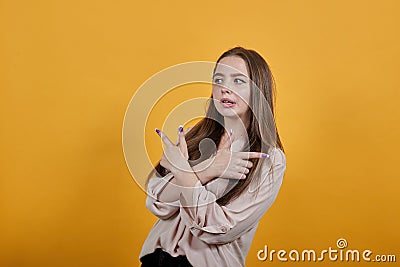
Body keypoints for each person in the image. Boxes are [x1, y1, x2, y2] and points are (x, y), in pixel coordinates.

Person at [139, 46, 287, 267]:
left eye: (237, 81)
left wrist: (183, 172)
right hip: (155, 261)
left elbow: (218, 229)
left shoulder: (269, 159)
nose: (224, 89)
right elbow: (158, 202)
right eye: (218, 80)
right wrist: (207, 170)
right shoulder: (192, 135)